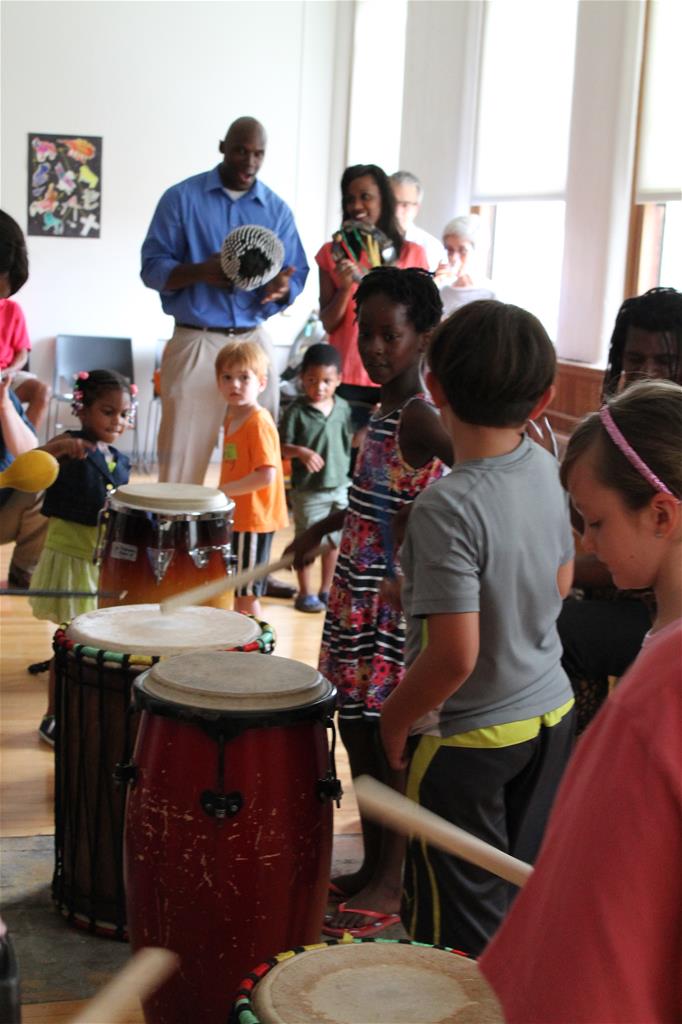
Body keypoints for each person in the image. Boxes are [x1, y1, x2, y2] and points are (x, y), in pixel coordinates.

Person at [479, 379, 682, 1024]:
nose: (586, 544)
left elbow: (599, 955)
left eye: (595, 522)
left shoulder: (660, 692)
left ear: (661, 514)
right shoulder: (660, 655)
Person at [380, 300, 576, 957]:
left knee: (456, 937)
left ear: (433, 388)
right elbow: (559, 583)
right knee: (513, 907)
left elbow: (455, 658)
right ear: (545, 397)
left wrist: (395, 717)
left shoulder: (447, 503)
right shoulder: (547, 468)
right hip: (551, 716)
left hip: (471, 740)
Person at [289, 268, 452, 937]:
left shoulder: (418, 412)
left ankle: (394, 876)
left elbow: (474, 469)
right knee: (357, 733)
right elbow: (368, 496)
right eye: (368, 331)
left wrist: (425, 536)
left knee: (391, 742)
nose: (377, 346)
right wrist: (319, 529)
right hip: (355, 598)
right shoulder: (380, 408)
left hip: (390, 609)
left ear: (424, 337)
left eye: (393, 334)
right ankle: (371, 862)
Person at [141, 116, 309, 484]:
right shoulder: (181, 199)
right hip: (197, 336)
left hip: (252, 336)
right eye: (240, 151)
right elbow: (151, 268)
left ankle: (244, 538)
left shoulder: (276, 210)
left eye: (258, 154)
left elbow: (298, 272)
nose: (249, 161)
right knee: (182, 457)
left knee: (258, 456)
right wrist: (200, 271)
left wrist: (282, 290)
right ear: (222, 147)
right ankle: (175, 535)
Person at [558, 285, 682, 733]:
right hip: (641, 601)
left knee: (560, 626)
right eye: (634, 360)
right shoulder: (620, 432)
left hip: (656, 612)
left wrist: (567, 571)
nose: (647, 373)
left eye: (665, 362)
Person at [28, 369, 133, 746]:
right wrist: (55, 450)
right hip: (70, 557)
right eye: (108, 412)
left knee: (94, 642)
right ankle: (52, 714)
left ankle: (89, 709)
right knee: (70, 642)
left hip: (99, 560)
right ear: (82, 410)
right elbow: (30, 467)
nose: (117, 421)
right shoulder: (67, 444)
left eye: (123, 414)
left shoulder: (119, 460)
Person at [316, 164, 429, 429]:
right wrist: (345, 288)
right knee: (346, 463)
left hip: (399, 375)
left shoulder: (413, 254)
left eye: (365, 196)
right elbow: (329, 323)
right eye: (350, 198)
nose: (357, 205)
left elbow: (423, 320)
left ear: (384, 201)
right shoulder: (331, 253)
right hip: (346, 378)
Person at [216, 340, 288, 618]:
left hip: (254, 521)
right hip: (241, 518)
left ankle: (254, 649)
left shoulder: (258, 421)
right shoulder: (232, 418)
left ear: (261, 382)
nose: (235, 384)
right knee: (237, 590)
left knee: (246, 595)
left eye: (244, 377)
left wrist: (224, 490)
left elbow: (265, 475)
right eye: (227, 377)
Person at [280, 343, 352, 613]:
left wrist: (376, 421)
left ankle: (325, 589)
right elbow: (281, 447)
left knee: (333, 541)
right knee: (309, 541)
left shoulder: (343, 408)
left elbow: (351, 441)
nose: (319, 387)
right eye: (312, 380)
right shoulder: (296, 411)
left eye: (326, 381)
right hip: (309, 491)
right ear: (302, 379)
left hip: (340, 486)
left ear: (339, 380)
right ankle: (305, 592)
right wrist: (300, 451)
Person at [0, 209, 50, 429]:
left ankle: (24, 456)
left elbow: (22, 353)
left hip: (6, 374)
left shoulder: (12, 310)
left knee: (41, 390)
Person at [435, 214, 496, 319]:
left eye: (462, 251)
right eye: (450, 250)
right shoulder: (442, 292)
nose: (454, 257)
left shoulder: (492, 295)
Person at [389, 171, 446, 273]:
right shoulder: (369, 239)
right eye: (391, 202)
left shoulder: (431, 247)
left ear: (416, 208)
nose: (396, 211)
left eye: (405, 205)